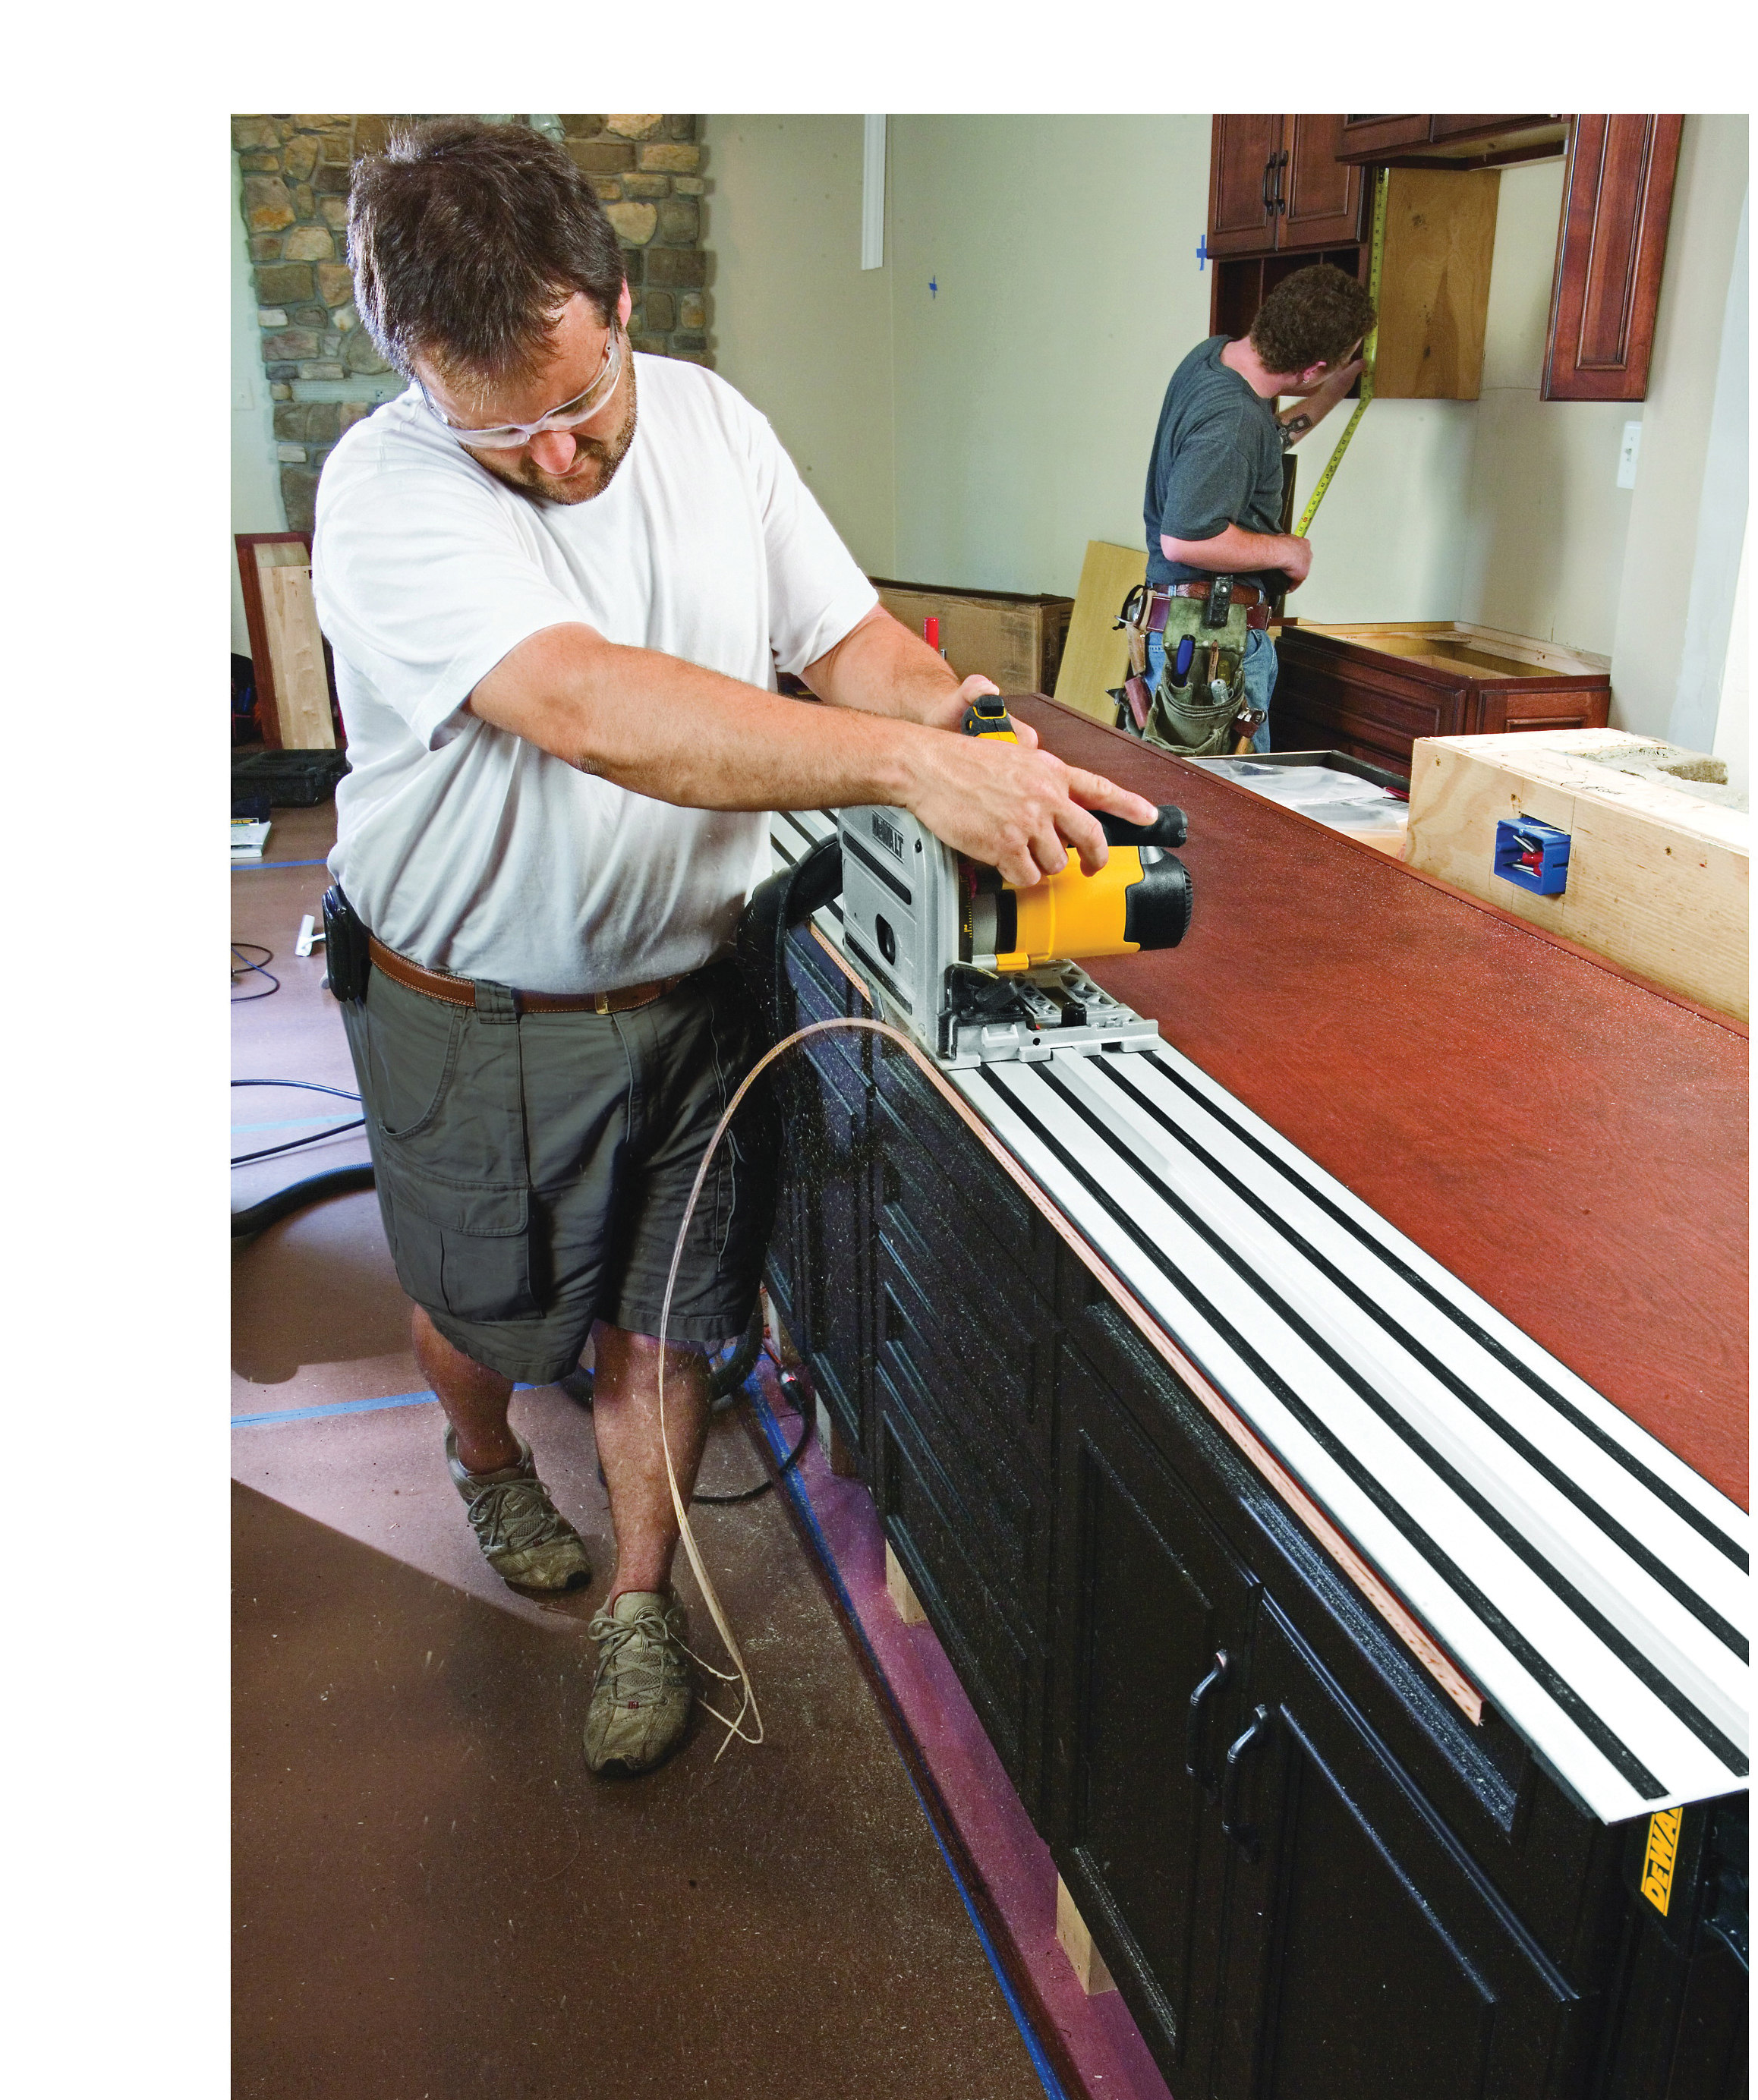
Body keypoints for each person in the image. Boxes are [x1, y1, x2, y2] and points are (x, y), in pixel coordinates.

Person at [310, 119, 1154, 1779]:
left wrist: (970, 729)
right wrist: (907, 771)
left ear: (620, 301)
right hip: (472, 1004)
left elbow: (845, 642)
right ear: (422, 382)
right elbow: (586, 704)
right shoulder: (384, 486)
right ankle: (488, 1457)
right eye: (502, 433)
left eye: (578, 401)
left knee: (666, 1311)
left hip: (688, 980)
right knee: (479, 1314)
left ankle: (643, 1595)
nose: (557, 456)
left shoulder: (713, 424)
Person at [1136, 263, 1376, 749]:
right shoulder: (1234, 419)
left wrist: (1334, 389)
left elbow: (1261, 440)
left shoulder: (1215, 357)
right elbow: (1184, 539)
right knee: (1228, 794)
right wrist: (1288, 551)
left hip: (1192, 629)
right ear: (1310, 369)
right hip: (1212, 644)